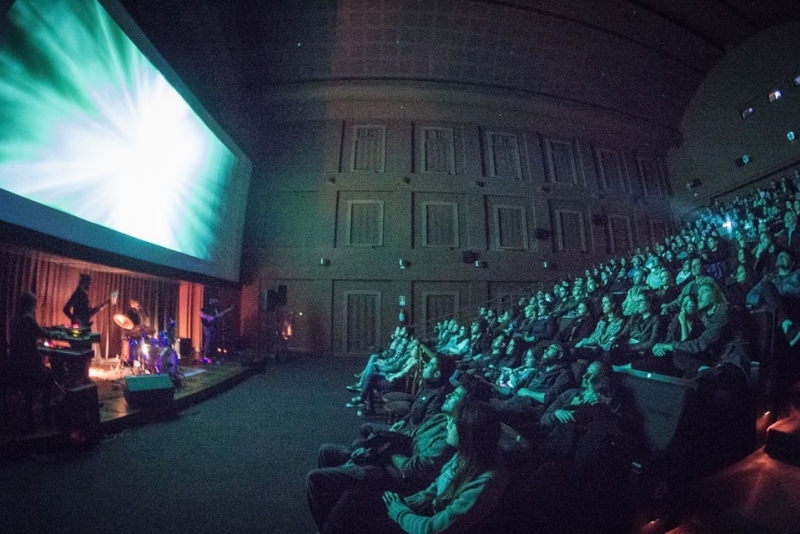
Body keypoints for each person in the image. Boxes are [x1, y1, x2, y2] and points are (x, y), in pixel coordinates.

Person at [320, 398, 507, 534]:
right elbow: (434, 489)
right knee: (354, 498)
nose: (447, 425)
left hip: (423, 524)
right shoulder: (465, 454)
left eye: (453, 422)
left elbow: (432, 529)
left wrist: (399, 511)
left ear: (469, 432)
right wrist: (405, 501)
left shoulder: (486, 483)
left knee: (355, 514)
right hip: (418, 510)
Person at [7, 291, 55, 433]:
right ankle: (46, 412)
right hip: (28, 365)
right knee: (50, 377)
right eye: (34, 305)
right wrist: (54, 334)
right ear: (30, 305)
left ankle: (30, 410)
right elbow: (43, 334)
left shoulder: (13, 319)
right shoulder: (28, 319)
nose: (35, 308)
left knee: (37, 377)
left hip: (14, 365)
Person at [199, 297, 231, 362]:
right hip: (207, 326)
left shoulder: (215, 308)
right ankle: (205, 356)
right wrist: (208, 317)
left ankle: (211, 355)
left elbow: (216, 316)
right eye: (214, 300)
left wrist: (226, 311)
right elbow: (200, 313)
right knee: (208, 340)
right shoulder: (206, 307)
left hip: (213, 326)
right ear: (210, 300)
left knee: (212, 340)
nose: (216, 301)